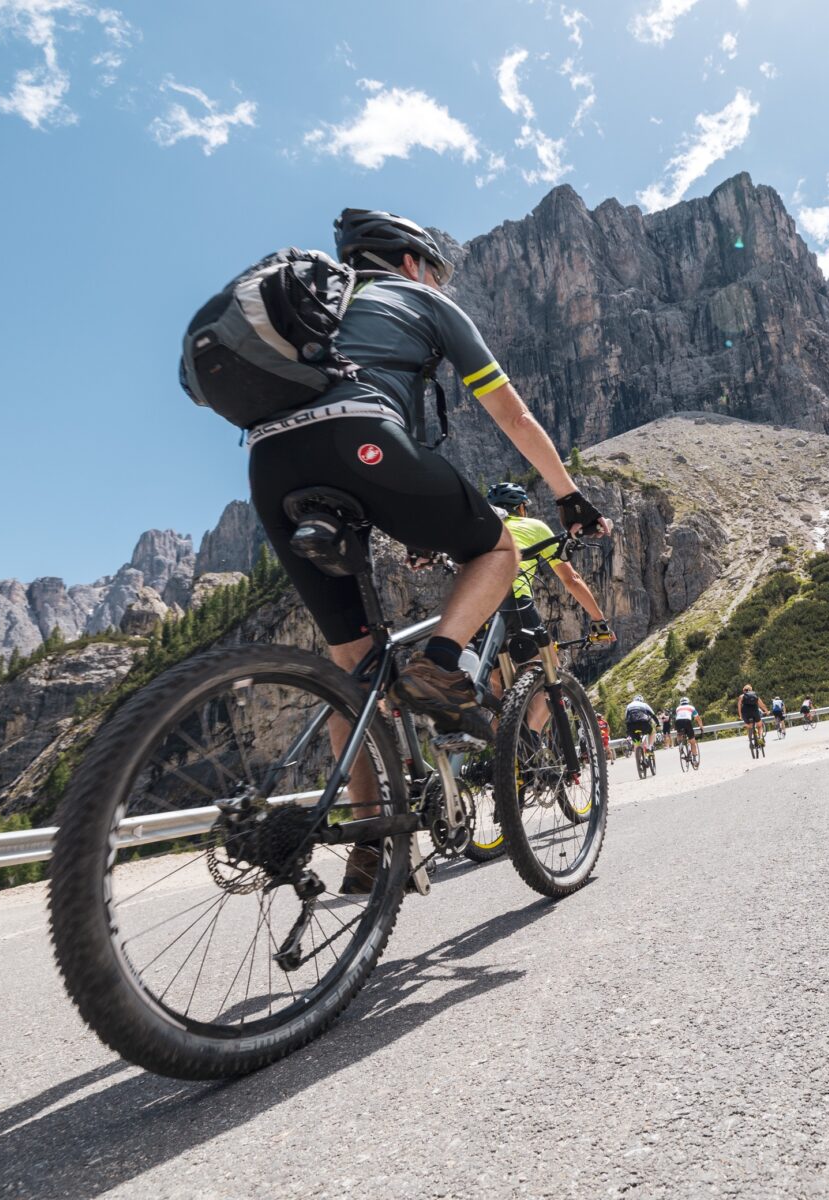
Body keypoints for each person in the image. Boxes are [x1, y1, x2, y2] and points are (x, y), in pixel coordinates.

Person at [246, 208, 611, 893]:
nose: (439, 283)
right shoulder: (420, 300)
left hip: (270, 465)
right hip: (361, 439)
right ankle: (440, 664)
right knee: (499, 547)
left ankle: (368, 844)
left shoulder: (315, 310)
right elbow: (513, 415)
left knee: (350, 675)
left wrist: (414, 529)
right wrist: (568, 495)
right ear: (412, 262)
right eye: (437, 271)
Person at [480, 481, 614, 731]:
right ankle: (530, 737)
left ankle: (504, 761)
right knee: (549, 672)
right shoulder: (532, 526)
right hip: (514, 603)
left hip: (477, 611)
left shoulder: (479, 528)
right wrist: (598, 620)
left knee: (498, 687)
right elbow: (570, 579)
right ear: (520, 508)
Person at [673, 697, 699, 761]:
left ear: (680, 703)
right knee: (692, 742)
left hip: (678, 721)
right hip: (687, 721)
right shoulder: (691, 707)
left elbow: (679, 716)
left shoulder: (678, 708)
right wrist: (701, 726)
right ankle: (695, 759)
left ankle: (680, 745)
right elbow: (697, 718)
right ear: (688, 702)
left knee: (679, 734)